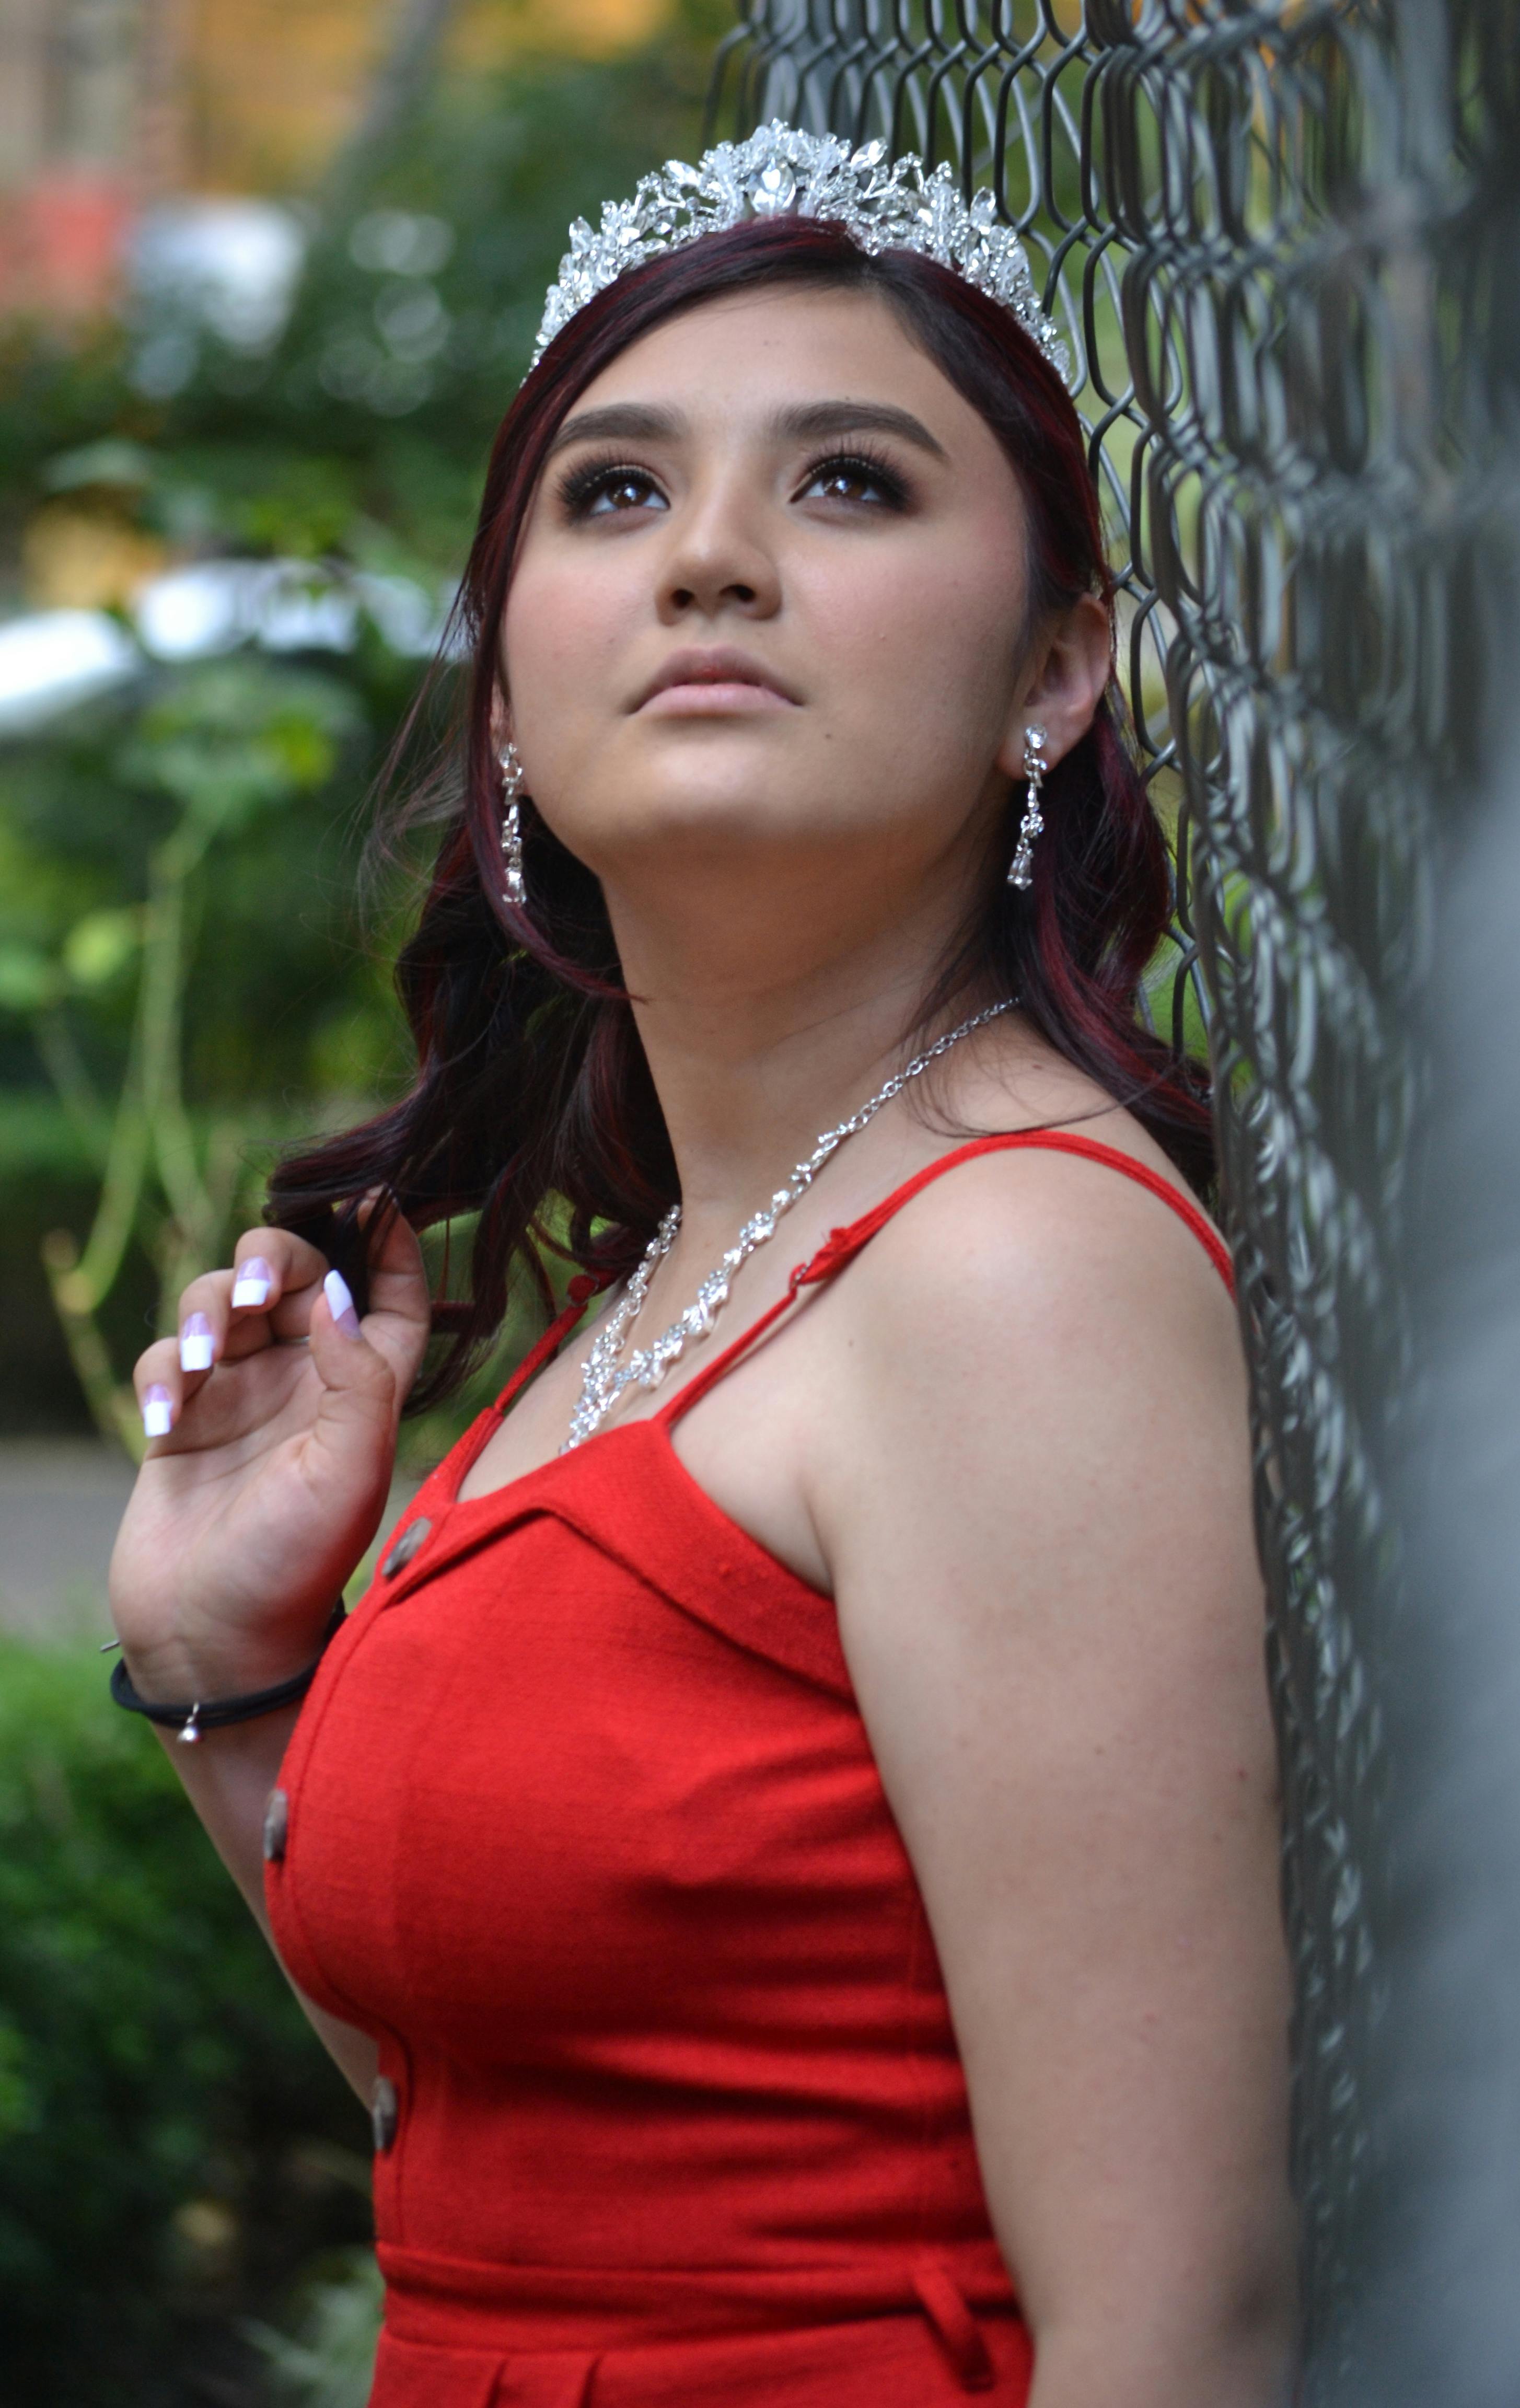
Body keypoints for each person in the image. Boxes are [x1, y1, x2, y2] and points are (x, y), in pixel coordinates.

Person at [109, 125, 1294, 2408]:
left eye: (850, 484)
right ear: (508, 699)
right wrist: (220, 1662)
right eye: (617, 494)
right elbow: (517, 2136)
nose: (714, 563)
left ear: (1057, 669)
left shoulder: (1008, 1278)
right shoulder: (652, 1283)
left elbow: (1179, 2334)